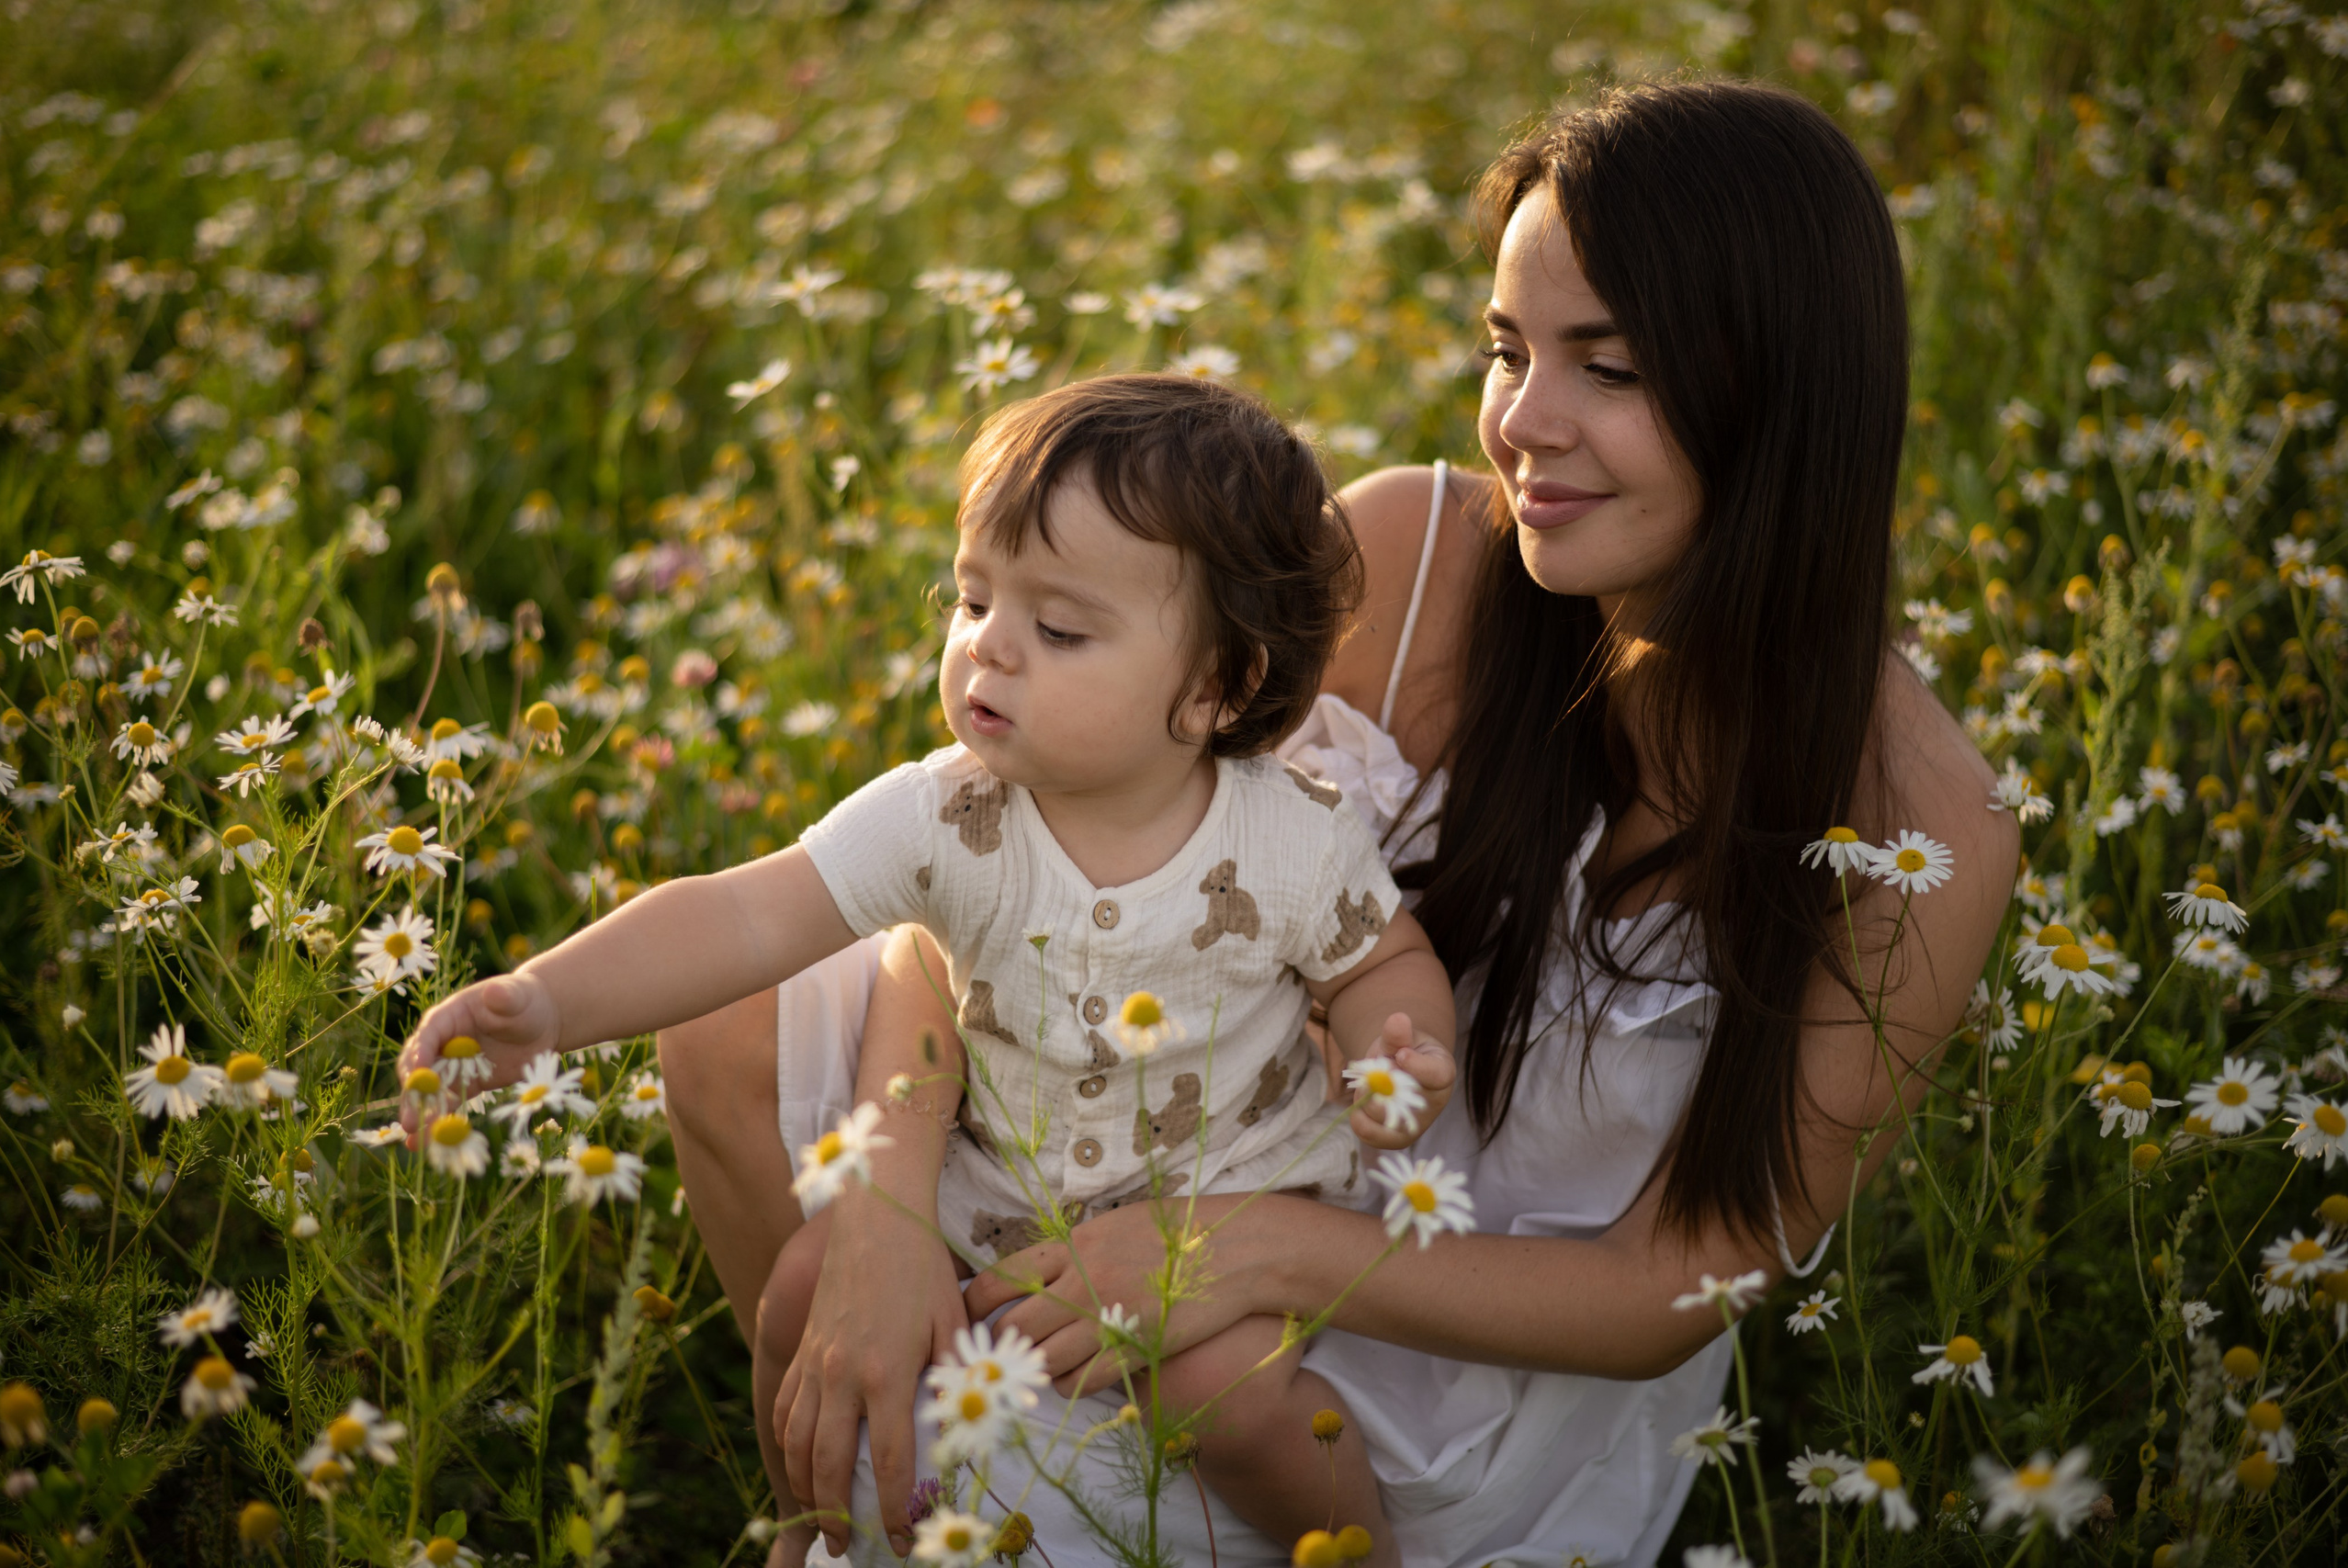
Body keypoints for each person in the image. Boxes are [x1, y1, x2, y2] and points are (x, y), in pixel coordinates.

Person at [661, 78, 2015, 1568]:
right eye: (1508, 352)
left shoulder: (1920, 830)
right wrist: (884, 1198)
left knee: (1005, 1490)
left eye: (1608, 368)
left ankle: (891, 1487)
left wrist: (1250, 1258)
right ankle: (836, 1447)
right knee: (731, 1012)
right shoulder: (1411, 551)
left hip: (1447, 1367)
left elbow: (1672, 1292)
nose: (1523, 423)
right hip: (1187, 1128)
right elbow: (1006, 855)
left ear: (1778, 390)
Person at [398, 374, 1458, 1567]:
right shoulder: (949, 815)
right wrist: (551, 1003)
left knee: (1232, 1399)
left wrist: (1396, 1044)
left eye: (1058, 630)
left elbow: (1379, 959)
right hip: (995, 1224)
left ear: (1219, 687)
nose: (987, 649)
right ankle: (814, 1520)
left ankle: (1354, 1548)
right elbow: (744, 918)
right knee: (805, 1289)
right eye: (970, 598)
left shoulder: (1290, 836)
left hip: (1216, 1243)